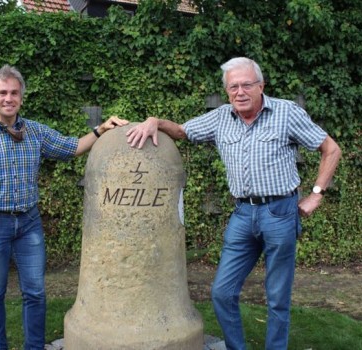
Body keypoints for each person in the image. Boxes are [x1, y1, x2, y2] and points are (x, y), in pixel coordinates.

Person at [126, 57, 342, 350]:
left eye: (246, 85)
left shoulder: (286, 113)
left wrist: (316, 193)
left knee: (277, 297)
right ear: (227, 91)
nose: (239, 92)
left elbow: (330, 148)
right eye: (233, 87)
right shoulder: (220, 118)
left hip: (280, 213)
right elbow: (181, 131)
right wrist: (154, 121)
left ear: (261, 86)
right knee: (222, 292)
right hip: (242, 213)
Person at [0, 64, 129, 350]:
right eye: (2, 93)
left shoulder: (35, 131)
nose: (8, 98)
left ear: (21, 98)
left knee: (35, 292)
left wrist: (100, 130)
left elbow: (71, 147)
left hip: (28, 224)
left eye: (14, 93)